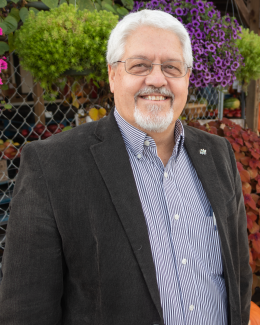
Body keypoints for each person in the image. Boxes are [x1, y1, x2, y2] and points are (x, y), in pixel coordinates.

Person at [0, 9, 252, 325]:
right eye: (140, 66)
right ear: (113, 75)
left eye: (172, 67)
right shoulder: (52, 165)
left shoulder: (216, 153)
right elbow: (26, 310)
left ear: (187, 78)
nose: (157, 79)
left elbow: (239, 272)